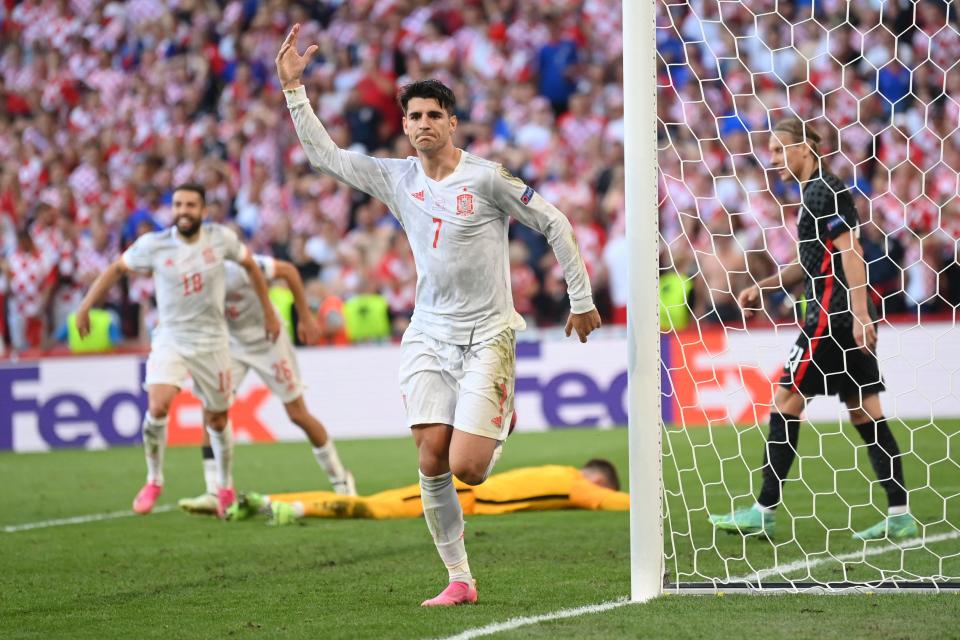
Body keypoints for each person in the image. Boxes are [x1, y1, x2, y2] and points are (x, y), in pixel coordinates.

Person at [276, 24, 602, 606]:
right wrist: (295, 90)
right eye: (415, 116)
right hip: (428, 332)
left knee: (469, 468)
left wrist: (581, 299)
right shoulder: (396, 177)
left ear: (452, 123)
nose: (424, 124)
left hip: (487, 334)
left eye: (434, 115)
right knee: (431, 456)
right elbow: (323, 157)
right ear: (404, 125)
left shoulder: (487, 178)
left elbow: (554, 221)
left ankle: (499, 417)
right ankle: (460, 578)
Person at [708, 118, 916, 541]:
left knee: (786, 400)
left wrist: (859, 313)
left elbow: (851, 252)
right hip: (841, 315)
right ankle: (900, 513)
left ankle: (764, 510)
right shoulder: (817, 191)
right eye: (770, 151)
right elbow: (812, 264)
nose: (773, 159)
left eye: (780, 150)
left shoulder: (822, 189)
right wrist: (762, 287)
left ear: (805, 148)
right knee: (864, 410)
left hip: (829, 319)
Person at [76, 184, 281, 518]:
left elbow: (250, 266)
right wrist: (85, 307)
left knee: (217, 417)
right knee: (157, 405)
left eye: (191, 205)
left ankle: (224, 486)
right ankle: (154, 479)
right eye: (178, 205)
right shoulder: (154, 245)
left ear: (203, 210)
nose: (183, 211)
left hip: (213, 341)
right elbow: (116, 269)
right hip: (171, 337)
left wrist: (269, 312)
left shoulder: (221, 238)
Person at [178, 254, 357, 515]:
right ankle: (214, 491)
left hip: (269, 341)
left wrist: (305, 317)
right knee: (212, 411)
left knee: (297, 414)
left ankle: (341, 479)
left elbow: (289, 271)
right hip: (233, 346)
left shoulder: (239, 267)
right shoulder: (192, 285)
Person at [227, 458, 627, 525]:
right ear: (597, 479)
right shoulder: (578, 486)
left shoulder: (561, 471)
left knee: (374, 504)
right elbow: (610, 501)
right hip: (460, 494)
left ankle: (277, 504)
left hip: (463, 491)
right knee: (375, 508)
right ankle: (278, 505)